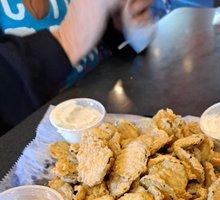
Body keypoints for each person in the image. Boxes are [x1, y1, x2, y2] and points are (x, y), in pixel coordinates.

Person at [0, 0, 155, 136]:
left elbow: (103, 42)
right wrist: (67, 39)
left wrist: (119, 23)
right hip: (45, 130)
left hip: (106, 99)